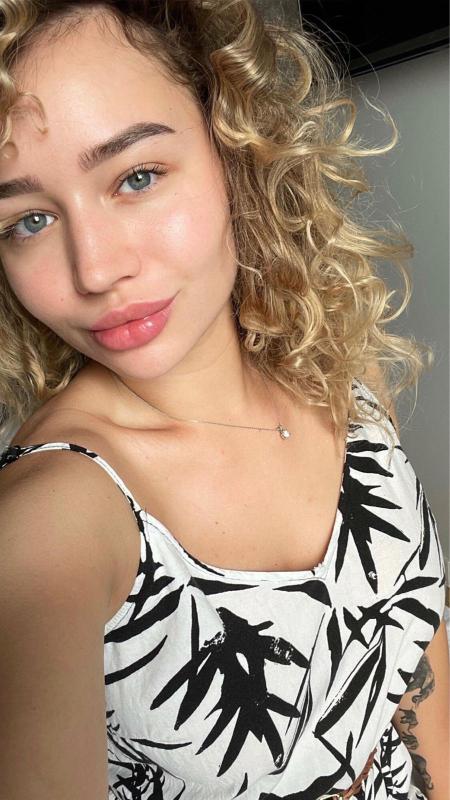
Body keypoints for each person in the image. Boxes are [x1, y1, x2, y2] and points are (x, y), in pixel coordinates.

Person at [0, 2, 447, 799]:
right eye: (28, 220)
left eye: (137, 177)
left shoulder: (335, 381)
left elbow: (422, 693)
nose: (96, 269)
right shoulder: (48, 528)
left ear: (233, 146)